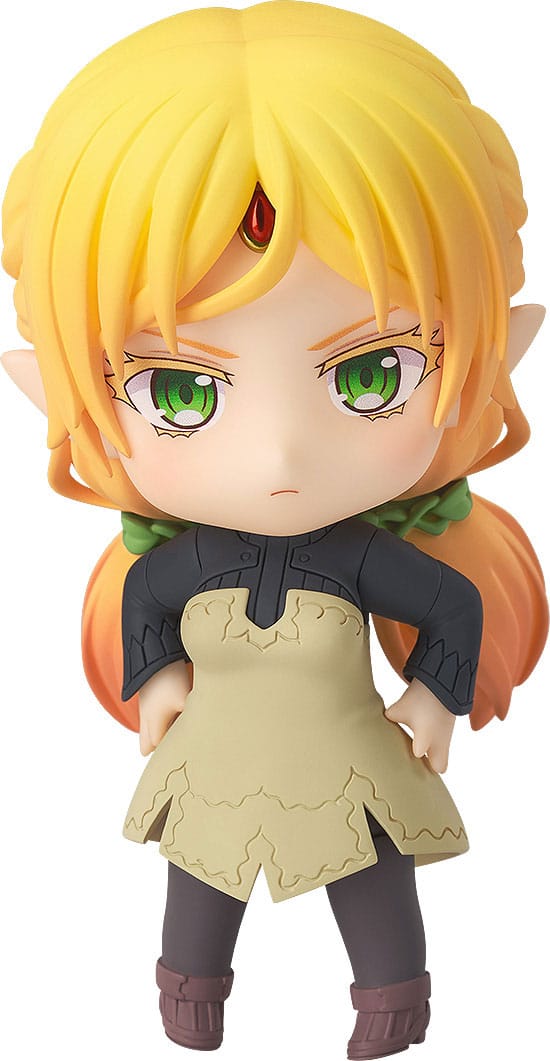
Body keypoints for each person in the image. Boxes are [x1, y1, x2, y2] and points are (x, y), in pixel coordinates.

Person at [2, 4, 547, 1058]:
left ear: (489, 349)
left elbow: (450, 601)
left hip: (350, 763)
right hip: (213, 761)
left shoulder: (364, 557)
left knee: (370, 871)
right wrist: (157, 677)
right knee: (200, 873)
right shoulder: (188, 560)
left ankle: (392, 1003)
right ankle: (189, 996)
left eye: (372, 372)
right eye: (179, 390)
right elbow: (144, 594)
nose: (279, 454)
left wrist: (433, 697)